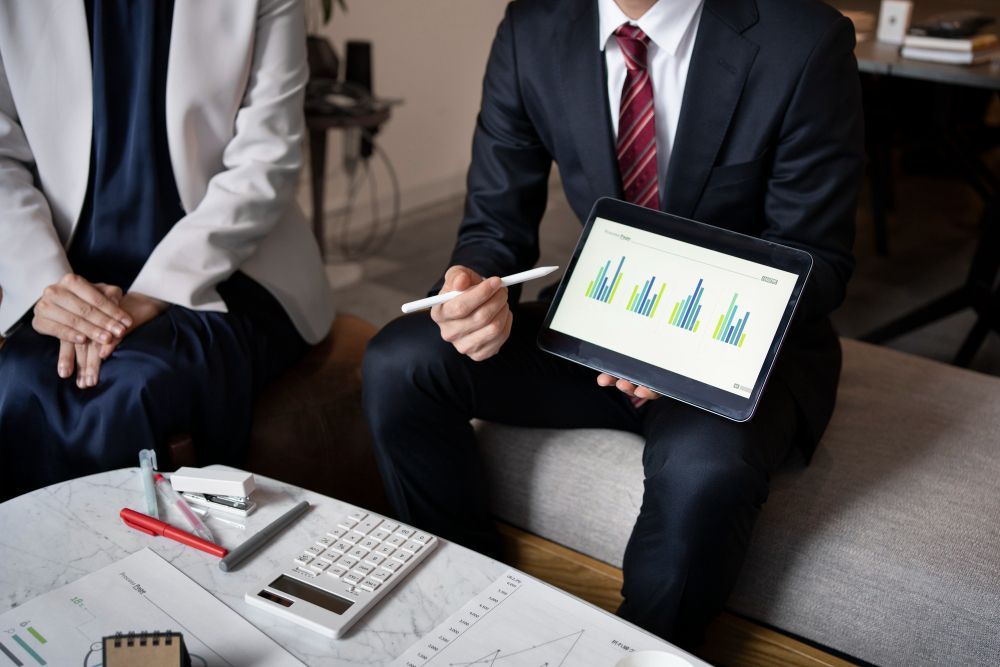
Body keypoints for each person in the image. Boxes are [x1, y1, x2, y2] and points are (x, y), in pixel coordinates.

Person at [362, 0, 864, 646]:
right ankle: (468, 612)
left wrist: (681, 346)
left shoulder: (803, 39)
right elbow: (494, 225)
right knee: (399, 362)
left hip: (743, 351)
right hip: (599, 327)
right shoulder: (533, 28)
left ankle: (633, 654)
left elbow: (818, 259)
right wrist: (470, 280)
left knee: (704, 468)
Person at [0, 0, 333, 499]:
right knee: (21, 378)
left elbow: (268, 159)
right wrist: (50, 287)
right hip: (70, 267)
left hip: (228, 266)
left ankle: (146, 572)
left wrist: (155, 292)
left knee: (133, 388)